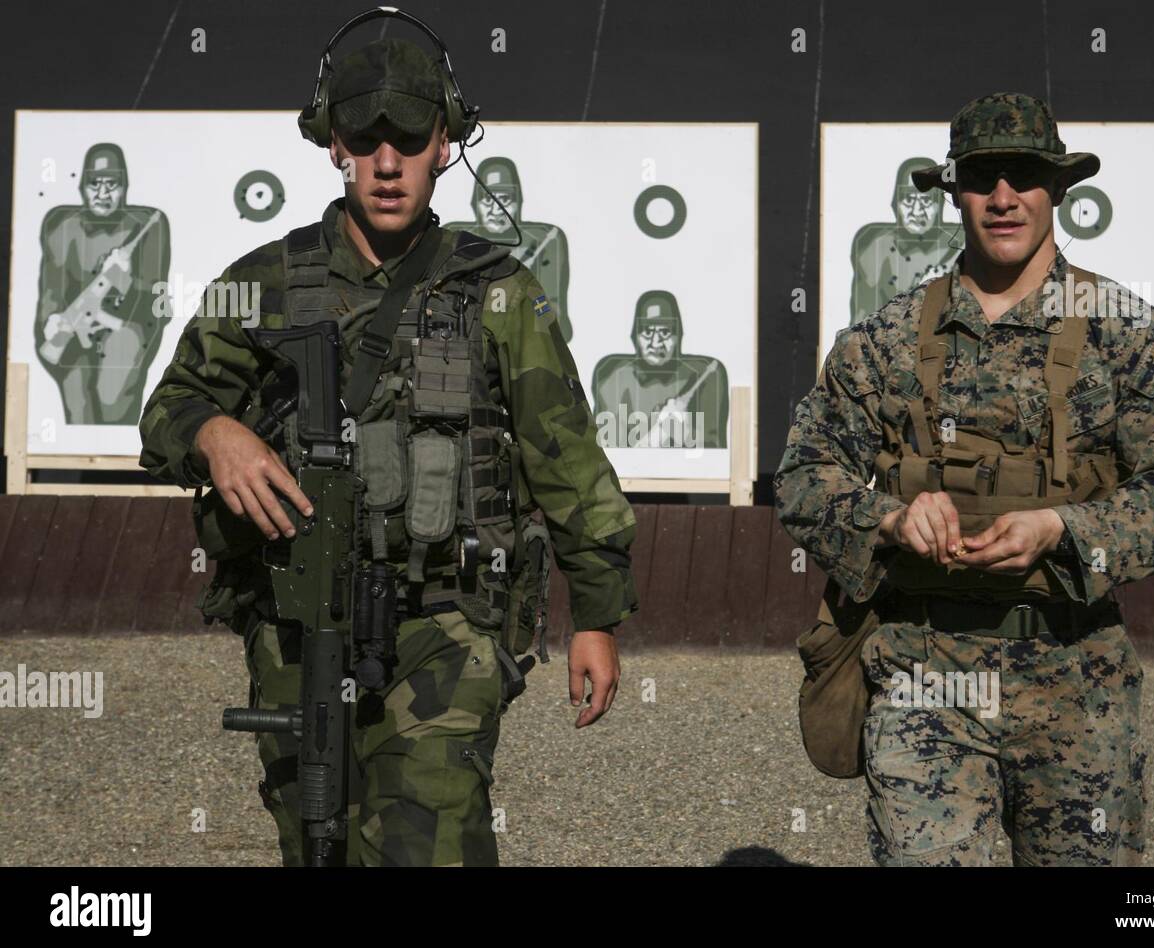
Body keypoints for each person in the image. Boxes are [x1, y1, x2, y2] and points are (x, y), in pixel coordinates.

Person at [138, 22, 637, 867]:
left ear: (445, 144)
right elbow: (167, 410)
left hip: (448, 621)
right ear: (334, 143)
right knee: (316, 837)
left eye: (409, 138)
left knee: (431, 835)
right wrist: (214, 433)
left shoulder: (500, 293)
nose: (386, 162)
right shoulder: (263, 283)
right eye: (364, 139)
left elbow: (568, 458)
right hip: (300, 624)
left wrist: (598, 615)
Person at [776, 92, 1154, 866]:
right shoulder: (885, 339)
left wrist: (1064, 529)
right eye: (983, 177)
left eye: (1024, 175)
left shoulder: (1129, 335)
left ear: (1059, 190)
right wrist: (888, 519)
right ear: (955, 193)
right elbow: (803, 476)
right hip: (924, 674)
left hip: (1078, 679)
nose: (1004, 197)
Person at [35, 143, 171, 424]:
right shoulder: (62, 226)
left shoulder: (148, 226)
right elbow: (52, 291)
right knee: (78, 405)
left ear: (124, 188)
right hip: (76, 331)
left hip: (125, 327)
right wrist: (53, 320)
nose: (103, 193)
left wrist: (124, 280)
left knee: (113, 400)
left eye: (112, 184)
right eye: (95, 183)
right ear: (83, 186)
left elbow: (154, 302)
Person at [443, 156, 575, 342]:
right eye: (487, 199)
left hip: (526, 340)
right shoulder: (457, 237)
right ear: (475, 202)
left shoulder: (546, 238)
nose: (496, 208)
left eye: (504, 198)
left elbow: (554, 312)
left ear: (518, 200)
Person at [591, 290, 729, 449]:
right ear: (635, 335)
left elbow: (715, 457)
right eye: (648, 332)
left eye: (665, 332)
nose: (656, 343)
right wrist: (655, 436)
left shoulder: (708, 374)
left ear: (678, 335)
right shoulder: (612, 375)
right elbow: (608, 453)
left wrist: (684, 434)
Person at [848, 156, 963, 324]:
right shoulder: (874, 245)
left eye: (925, 201)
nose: (916, 210)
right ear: (896, 202)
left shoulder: (963, 241)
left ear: (939, 205)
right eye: (909, 200)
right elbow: (860, 321)